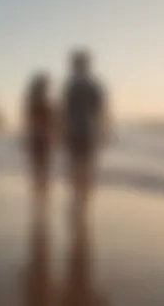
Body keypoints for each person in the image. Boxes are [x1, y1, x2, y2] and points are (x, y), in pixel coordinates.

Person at [62, 49, 107, 217]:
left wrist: (62, 132)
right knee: (86, 167)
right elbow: (101, 110)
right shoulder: (92, 85)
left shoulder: (72, 86)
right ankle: (83, 202)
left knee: (77, 167)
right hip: (87, 131)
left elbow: (64, 113)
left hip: (76, 132)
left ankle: (78, 200)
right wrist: (103, 130)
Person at [24, 73, 56, 209]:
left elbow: (29, 123)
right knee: (43, 168)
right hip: (42, 139)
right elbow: (51, 122)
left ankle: (40, 197)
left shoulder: (33, 102)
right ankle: (41, 197)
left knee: (39, 168)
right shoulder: (43, 103)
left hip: (37, 139)